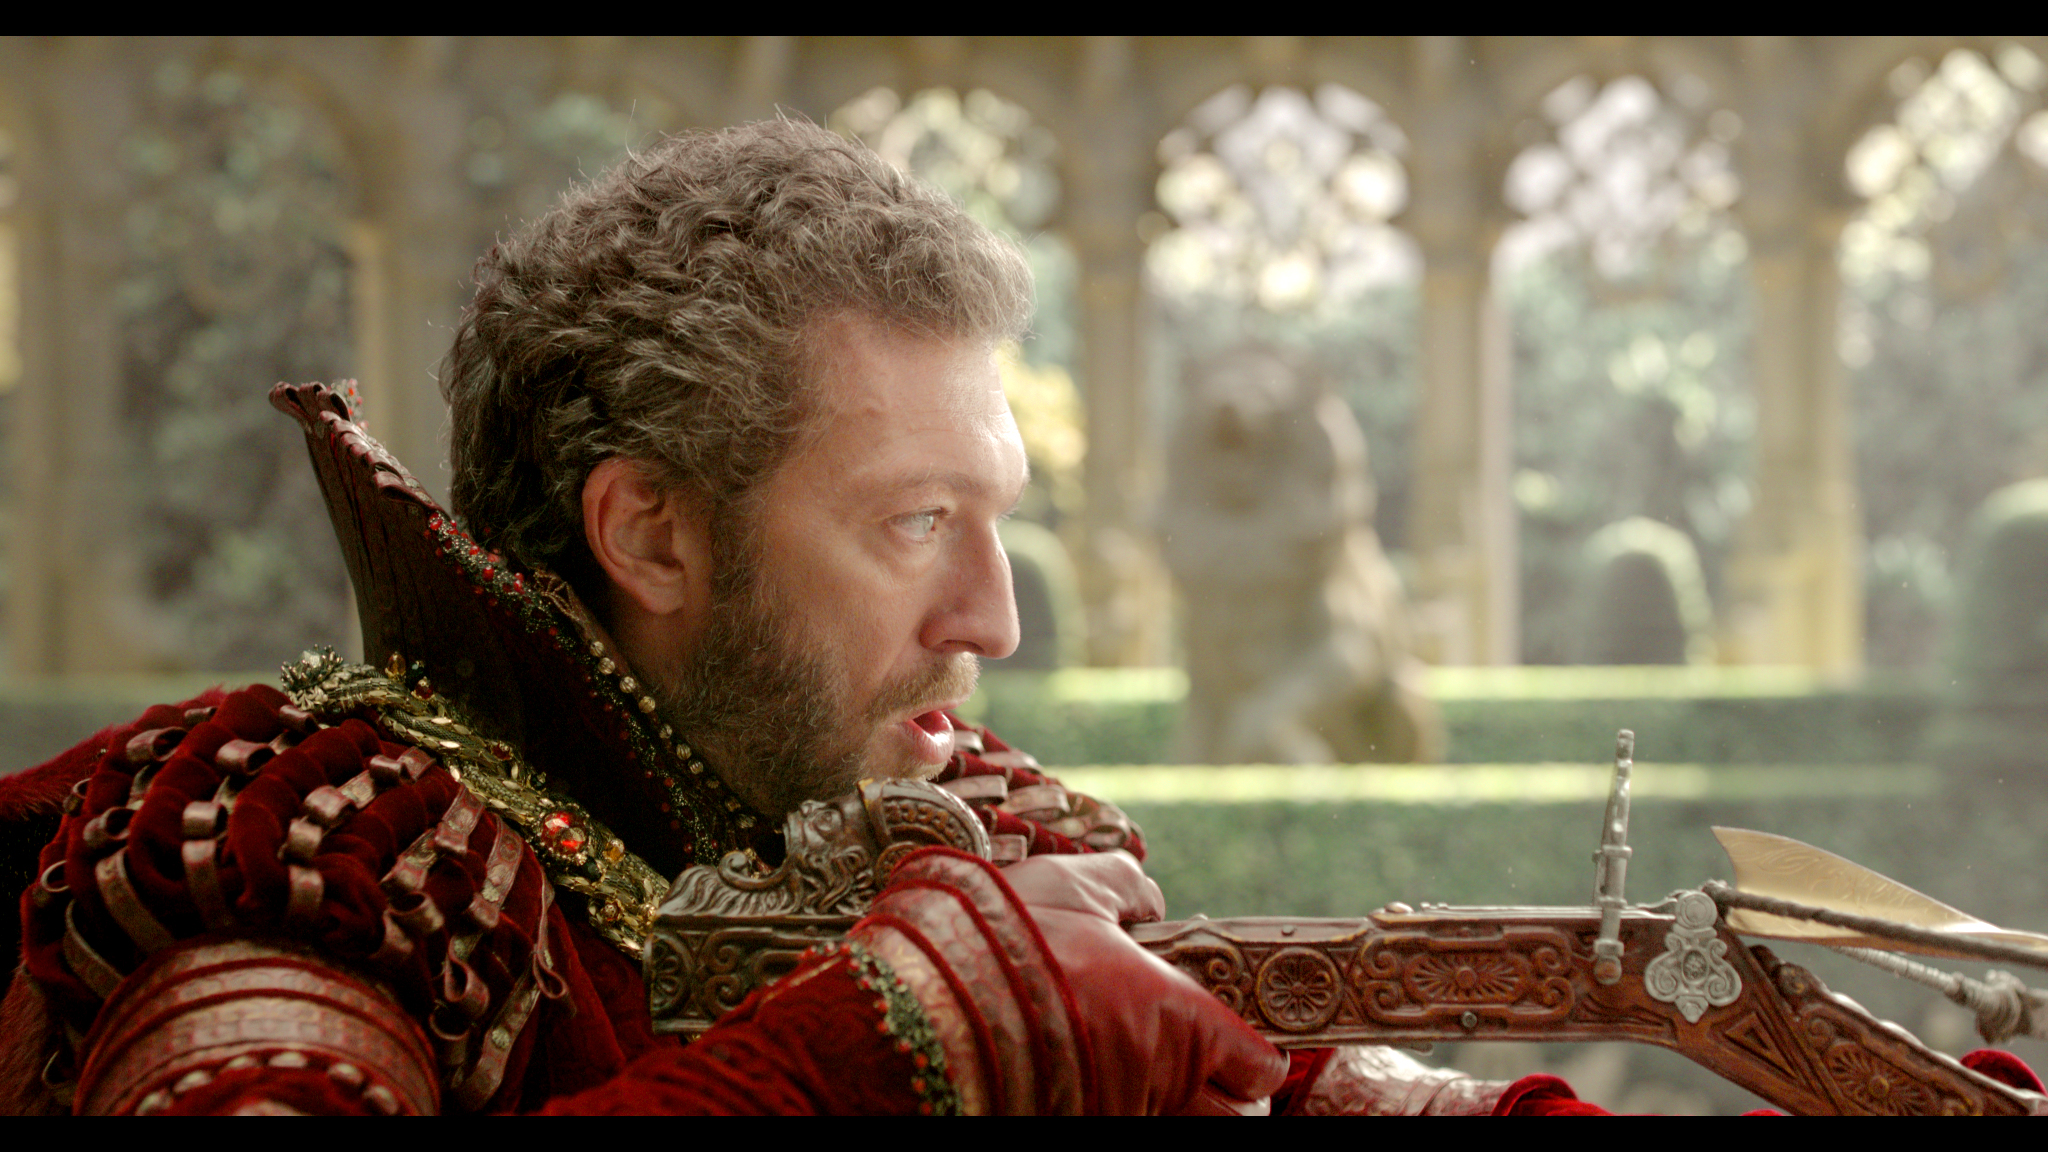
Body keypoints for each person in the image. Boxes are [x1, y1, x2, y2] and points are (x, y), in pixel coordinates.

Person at [0, 117, 1601, 1115]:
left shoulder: (940, 820)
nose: (994, 619)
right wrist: (901, 1032)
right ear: (653, 535)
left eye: (996, 522)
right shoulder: (328, 857)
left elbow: (1289, 1090)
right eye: (916, 523)